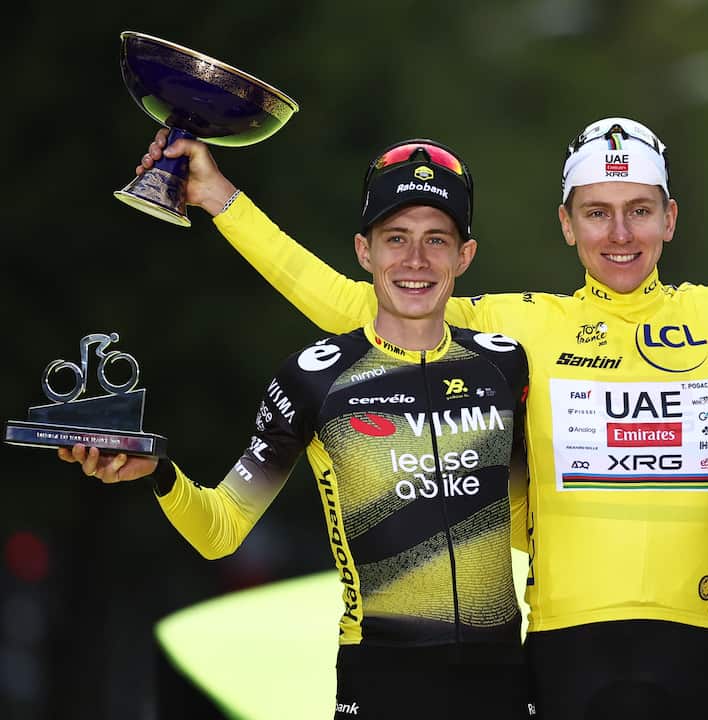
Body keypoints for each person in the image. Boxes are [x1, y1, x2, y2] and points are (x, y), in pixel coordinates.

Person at [132, 118, 708, 719]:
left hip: (693, 648)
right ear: (567, 224)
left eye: (639, 211)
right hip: (562, 652)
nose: (620, 234)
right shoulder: (521, 326)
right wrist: (219, 199)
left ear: (669, 219)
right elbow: (353, 305)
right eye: (596, 212)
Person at [63, 139, 532, 719]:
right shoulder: (316, 378)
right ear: (364, 251)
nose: (415, 260)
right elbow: (222, 530)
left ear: (464, 256)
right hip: (382, 675)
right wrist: (159, 473)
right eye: (396, 238)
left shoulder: (505, 365)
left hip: (504, 679)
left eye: (436, 239)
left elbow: (534, 522)